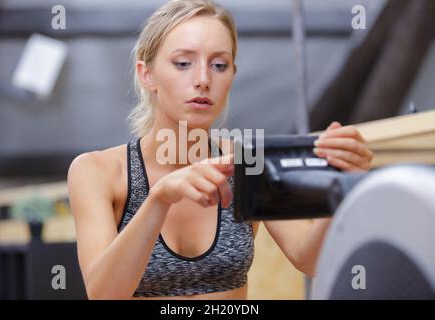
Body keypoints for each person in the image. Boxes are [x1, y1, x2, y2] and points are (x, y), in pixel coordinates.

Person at [67, 0, 374, 300]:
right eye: (183, 63)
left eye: (219, 65)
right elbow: (104, 294)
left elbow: (308, 259)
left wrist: (342, 187)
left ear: (232, 75)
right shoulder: (97, 171)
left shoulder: (247, 160)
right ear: (147, 74)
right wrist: (159, 199)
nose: (203, 80)